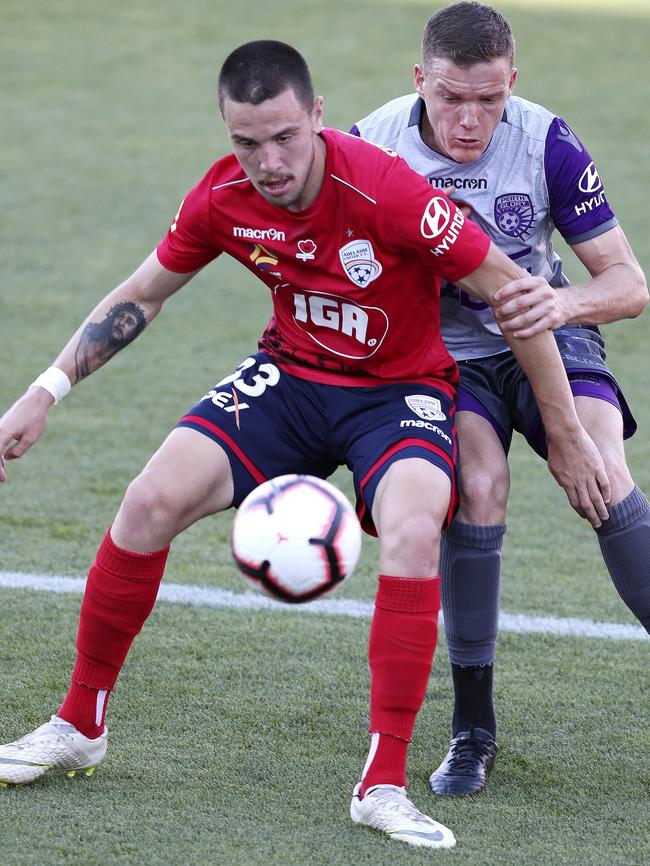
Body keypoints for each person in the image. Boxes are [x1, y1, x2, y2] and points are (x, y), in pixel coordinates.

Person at [0, 40, 609, 850]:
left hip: (400, 395)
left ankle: (383, 782)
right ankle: (80, 723)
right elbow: (142, 295)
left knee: (417, 521)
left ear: (317, 118)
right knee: (147, 501)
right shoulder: (223, 196)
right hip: (289, 380)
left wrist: (562, 426)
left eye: (285, 137)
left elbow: (514, 294)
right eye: (247, 142)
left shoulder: (392, 194)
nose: (269, 161)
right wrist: (44, 393)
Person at [352, 1, 649, 797]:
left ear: (512, 83)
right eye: (451, 98)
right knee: (478, 488)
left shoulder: (546, 140)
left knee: (601, 472)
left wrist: (562, 306)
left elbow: (628, 284)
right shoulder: (369, 146)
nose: (470, 119)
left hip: (549, 334)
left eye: (489, 99)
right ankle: (472, 732)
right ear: (420, 80)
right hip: (443, 357)